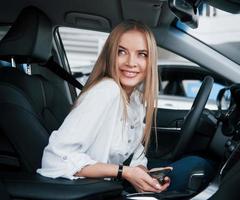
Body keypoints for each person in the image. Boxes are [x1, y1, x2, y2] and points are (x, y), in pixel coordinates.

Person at [37, 20, 213, 193]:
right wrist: (124, 172)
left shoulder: (135, 99)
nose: (131, 62)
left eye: (142, 54)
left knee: (195, 165)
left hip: (109, 187)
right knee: (198, 166)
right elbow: (55, 157)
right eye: (122, 52)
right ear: (110, 55)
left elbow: (135, 156)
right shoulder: (107, 90)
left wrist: (144, 177)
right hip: (88, 191)